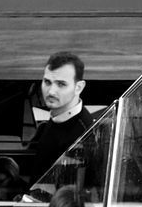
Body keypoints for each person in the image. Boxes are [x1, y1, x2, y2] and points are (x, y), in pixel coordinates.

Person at [27, 52, 102, 192]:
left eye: (61, 84)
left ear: (78, 87)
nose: (51, 91)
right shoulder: (50, 124)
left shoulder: (85, 135)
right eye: (47, 82)